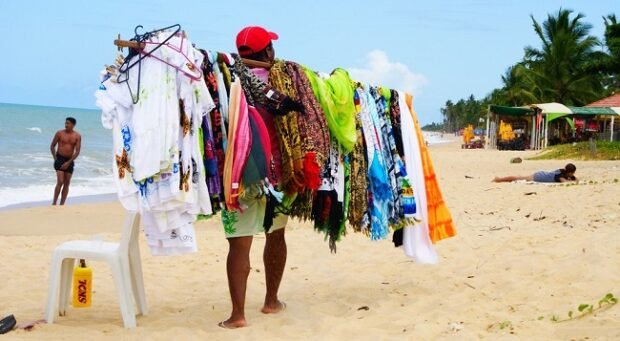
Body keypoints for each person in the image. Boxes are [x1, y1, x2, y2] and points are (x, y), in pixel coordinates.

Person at [218, 26, 290, 329]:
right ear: (268, 52)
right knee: (276, 235)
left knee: (238, 245)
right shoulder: (281, 84)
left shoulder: (227, 81)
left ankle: (237, 315)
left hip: (241, 176)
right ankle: (271, 301)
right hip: (277, 178)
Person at [50, 117, 81, 205]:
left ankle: (62, 204)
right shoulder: (59, 133)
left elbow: (77, 151)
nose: (66, 125)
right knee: (60, 181)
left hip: (69, 160)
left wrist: (69, 162)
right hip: (59, 158)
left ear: (73, 125)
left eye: (68, 123)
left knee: (67, 183)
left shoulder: (77, 136)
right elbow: (52, 146)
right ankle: (54, 203)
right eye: (65, 123)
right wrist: (55, 158)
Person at [493, 163, 578, 183]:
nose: (573, 174)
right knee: (518, 178)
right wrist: (571, 180)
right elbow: (565, 182)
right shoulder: (560, 175)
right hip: (538, 176)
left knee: (520, 177)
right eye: (573, 173)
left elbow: (574, 179)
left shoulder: (563, 172)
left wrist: (573, 178)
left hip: (541, 174)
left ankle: (500, 179)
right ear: (569, 172)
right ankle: (499, 179)